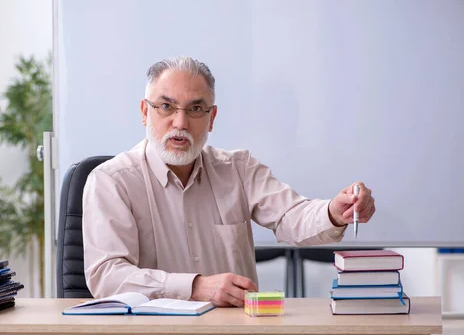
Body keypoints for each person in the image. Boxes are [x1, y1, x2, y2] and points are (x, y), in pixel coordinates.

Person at [82, 56, 376, 307]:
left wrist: (334, 213)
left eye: (196, 109)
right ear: (146, 112)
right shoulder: (111, 182)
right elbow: (107, 276)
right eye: (166, 107)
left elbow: (291, 216)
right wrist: (194, 288)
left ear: (211, 118)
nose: (181, 123)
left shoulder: (238, 169)